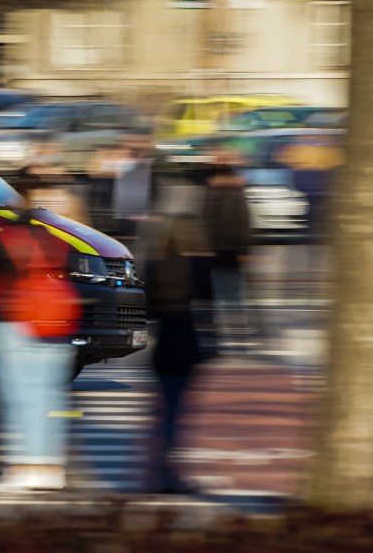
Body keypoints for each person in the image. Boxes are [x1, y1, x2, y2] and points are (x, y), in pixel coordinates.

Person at [0, 169, 79, 493]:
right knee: (49, 398)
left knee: (20, 401)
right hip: (59, 323)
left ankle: (24, 468)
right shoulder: (58, 238)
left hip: (18, 325)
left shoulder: (4, 238)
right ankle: (51, 468)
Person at [143, 212, 212, 494]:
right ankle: (169, 472)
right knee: (177, 411)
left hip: (165, 343)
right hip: (187, 340)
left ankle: (159, 469)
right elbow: (207, 307)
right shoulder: (198, 266)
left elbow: (149, 309)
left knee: (165, 410)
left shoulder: (156, 264)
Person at [202, 160, 254, 353]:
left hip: (212, 251)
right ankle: (239, 337)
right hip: (233, 251)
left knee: (210, 298)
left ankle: (211, 340)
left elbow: (205, 222)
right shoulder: (237, 192)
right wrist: (244, 250)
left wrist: (204, 248)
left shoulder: (210, 192)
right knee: (234, 298)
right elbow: (244, 222)